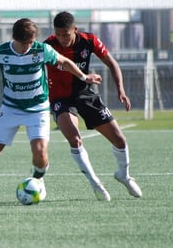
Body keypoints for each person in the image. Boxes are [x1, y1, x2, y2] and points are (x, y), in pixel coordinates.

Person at [0, 18, 102, 205]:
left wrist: (83, 76)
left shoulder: (41, 50)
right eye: (25, 43)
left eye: (31, 42)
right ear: (15, 38)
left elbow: (64, 61)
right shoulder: (1, 53)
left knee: (40, 153)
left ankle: (37, 181)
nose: (28, 46)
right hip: (11, 108)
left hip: (38, 109)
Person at [44, 11, 142, 201]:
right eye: (58, 34)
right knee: (75, 139)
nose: (62, 39)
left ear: (75, 30)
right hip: (60, 99)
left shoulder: (89, 41)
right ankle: (95, 182)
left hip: (86, 94)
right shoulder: (48, 46)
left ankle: (124, 175)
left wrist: (120, 90)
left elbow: (111, 63)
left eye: (66, 34)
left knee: (120, 140)